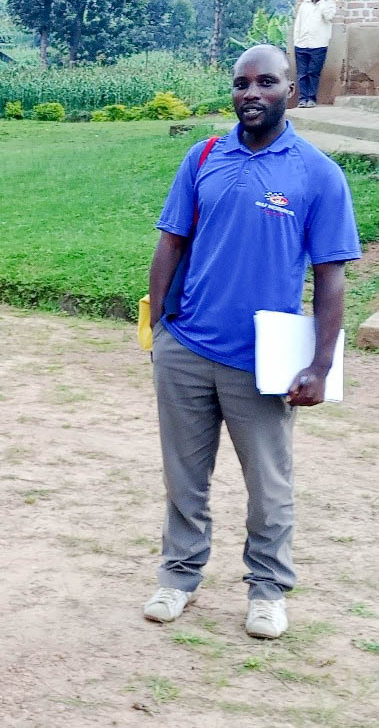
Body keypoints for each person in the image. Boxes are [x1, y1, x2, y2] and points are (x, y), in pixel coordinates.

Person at [143, 45, 360, 639]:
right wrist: (162, 329)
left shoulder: (316, 173)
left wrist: (319, 363)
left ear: (290, 89)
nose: (252, 94)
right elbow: (171, 242)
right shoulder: (205, 155)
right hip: (186, 349)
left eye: (267, 82)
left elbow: (332, 274)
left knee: (269, 484)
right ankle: (179, 577)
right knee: (184, 477)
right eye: (242, 84)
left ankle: (267, 590)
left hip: (262, 361)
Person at [293, 0, 336, 108]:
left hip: (318, 45)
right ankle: (302, 99)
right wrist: (296, 40)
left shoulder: (329, 5)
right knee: (302, 74)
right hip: (301, 44)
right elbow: (298, 24)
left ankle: (311, 99)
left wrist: (322, 1)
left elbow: (329, 17)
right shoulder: (304, 5)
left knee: (313, 73)